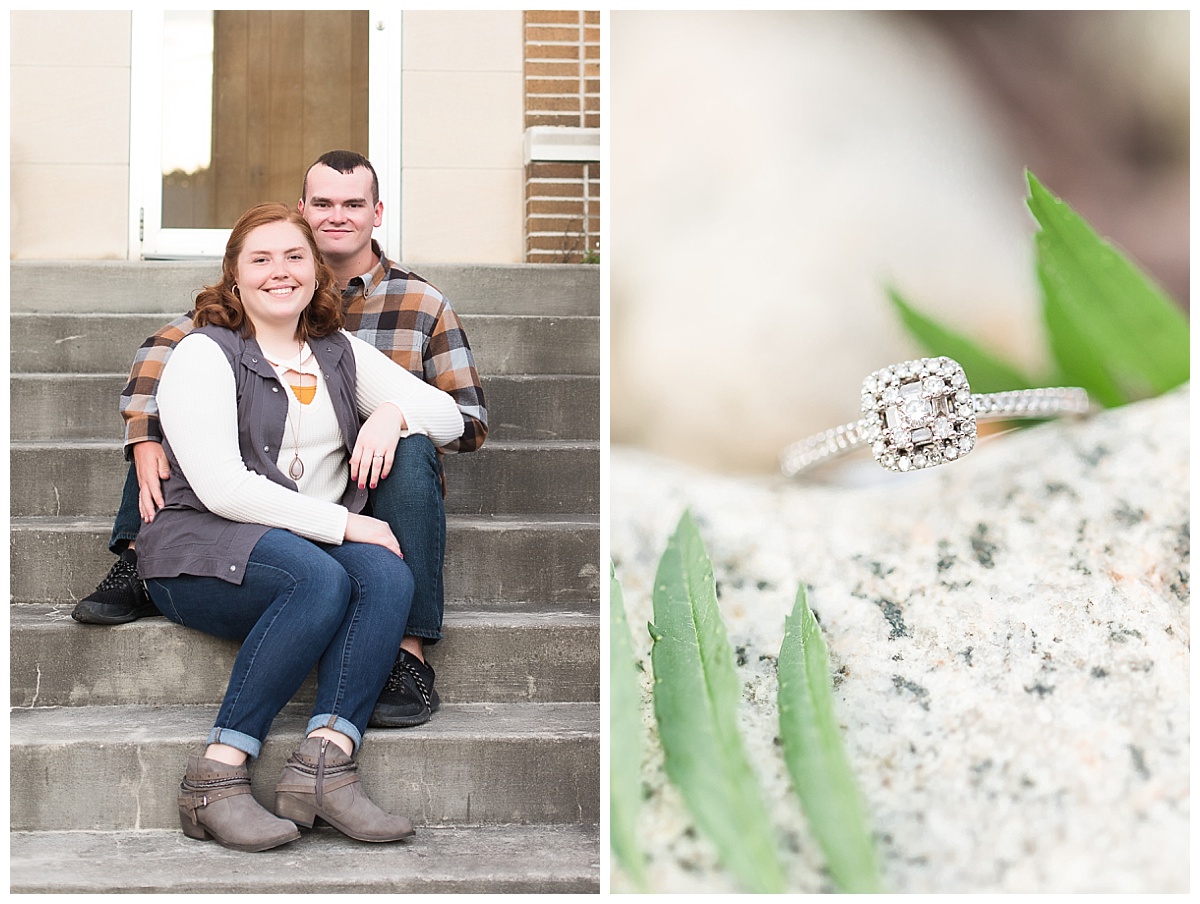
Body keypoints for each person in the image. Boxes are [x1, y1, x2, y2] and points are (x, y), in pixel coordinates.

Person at [72, 150, 487, 729]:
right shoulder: (238, 317)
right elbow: (166, 353)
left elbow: (465, 417)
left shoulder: (413, 305)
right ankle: (141, 558)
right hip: (253, 474)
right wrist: (142, 431)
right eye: (322, 204)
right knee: (178, 427)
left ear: (376, 213)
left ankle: (397, 663)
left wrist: (390, 415)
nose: (336, 215)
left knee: (411, 456)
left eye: (352, 204)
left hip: (366, 466)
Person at [139, 202, 464, 851]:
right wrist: (345, 522)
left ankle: (325, 766)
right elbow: (225, 489)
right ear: (234, 278)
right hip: (201, 551)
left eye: (293, 257)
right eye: (260, 260)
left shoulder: (335, 353)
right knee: (319, 579)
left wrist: (393, 412)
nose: (279, 272)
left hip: (303, 547)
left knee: (387, 576)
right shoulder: (204, 354)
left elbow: (451, 416)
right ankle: (216, 778)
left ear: (315, 273)